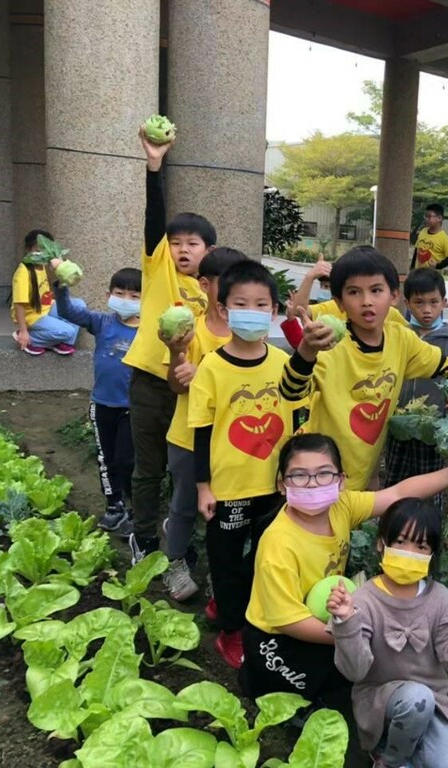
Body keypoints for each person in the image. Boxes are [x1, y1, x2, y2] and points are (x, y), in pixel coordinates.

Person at [241, 435, 448, 729]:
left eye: (324, 473)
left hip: (326, 614)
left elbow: (398, 493)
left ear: (341, 480)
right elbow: (288, 621)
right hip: (277, 638)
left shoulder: (341, 507)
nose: (313, 483)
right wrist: (356, 631)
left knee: (359, 665)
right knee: (303, 691)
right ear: (282, 484)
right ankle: (277, 695)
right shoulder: (278, 545)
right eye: (300, 475)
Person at [279, 246, 448, 492]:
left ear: (394, 297)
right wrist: (306, 351)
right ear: (339, 303)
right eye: (354, 292)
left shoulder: (401, 339)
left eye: (376, 290)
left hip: (362, 477)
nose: (367, 301)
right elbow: (290, 392)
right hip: (318, 475)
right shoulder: (329, 346)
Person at [187, 260, 300, 668]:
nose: (252, 311)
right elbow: (200, 430)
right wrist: (203, 485)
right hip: (228, 489)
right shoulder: (212, 368)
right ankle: (231, 631)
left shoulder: (284, 364)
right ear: (222, 309)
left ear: (273, 312)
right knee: (225, 558)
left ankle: (238, 605)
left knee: (264, 556)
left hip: (272, 487)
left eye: (261, 304)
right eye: (241, 303)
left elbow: (295, 423)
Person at [328, 498, 448, 768]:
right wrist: (346, 621)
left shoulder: (442, 600)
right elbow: (355, 672)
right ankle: (389, 760)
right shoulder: (364, 600)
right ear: (382, 543)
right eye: (401, 542)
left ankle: (408, 752)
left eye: (421, 546)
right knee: (417, 699)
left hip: (434, 706)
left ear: (431, 555)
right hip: (379, 704)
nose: (409, 552)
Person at [125, 128, 215, 564]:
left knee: (184, 469)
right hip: (150, 380)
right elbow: (153, 217)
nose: (181, 250)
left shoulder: (213, 287)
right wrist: (154, 166)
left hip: (192, 386)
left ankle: (176, 533)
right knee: (148, 467)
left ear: (208, 251)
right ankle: (142, 535)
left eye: (192, 244)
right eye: (176, 243)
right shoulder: (157, 270)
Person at [160, 247, 247, 602]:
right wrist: (178, 357)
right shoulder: (189, 332)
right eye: (227, 284)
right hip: (188, 438)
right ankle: (174, 562)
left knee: (228, 512)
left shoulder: (245, 336)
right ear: (205, 284)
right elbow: (176, 385)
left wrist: (209, 375)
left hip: (232, 443)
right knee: (184, 505)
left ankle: (219, 571)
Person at [53, 264, 142, 533]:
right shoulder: (102, 322)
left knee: (128, 460)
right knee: (106, 458)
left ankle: (135, 507)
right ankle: (114, 506)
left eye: (135, 295)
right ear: (108, 295)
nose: (126, 300)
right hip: (102, 404)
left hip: (133, 408)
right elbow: (68, 311)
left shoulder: (150, 331)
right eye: (120, 293)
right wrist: (61, 285)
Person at [381, 268, 448, 509]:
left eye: (433, 302)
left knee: (429, 486)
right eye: (419, 303)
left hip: (432, 427)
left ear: (444, 303)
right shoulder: (397, 334)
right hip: (396, 422)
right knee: (393, 480)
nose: (427, 310)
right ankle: (389, 531)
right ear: (407, 303)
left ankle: (427, 537)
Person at [10, 229, 81, 356]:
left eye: (45, 250)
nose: (42, 254)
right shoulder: (23, 273)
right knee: (68, 331)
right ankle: (31, 339)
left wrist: (62, 270)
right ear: (28, 250)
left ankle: (62, 342)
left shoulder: (42, 266)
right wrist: (23, 330)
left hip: (45, 308)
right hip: (31, 316)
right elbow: (19, 304)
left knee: (79, 306)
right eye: (37, 251)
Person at [411, 204, 448, 271]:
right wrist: (412, 268)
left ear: (439, 218)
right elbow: (416, 250)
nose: (426, 219)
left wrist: (438, 266)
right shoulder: (423, 231)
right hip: (418, 274)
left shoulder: (444, 238)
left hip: (432, 277)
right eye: (425, 216)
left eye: (429, 217)